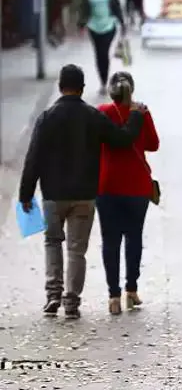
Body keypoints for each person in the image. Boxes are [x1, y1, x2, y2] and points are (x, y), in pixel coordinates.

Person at [18, 64, 146, 319]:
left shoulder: (46, 117)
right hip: (85, 196)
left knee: (53, 242)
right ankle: (72, 302)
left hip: (53, 195)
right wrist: (135, 116)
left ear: (59, 87)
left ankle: (53, 294)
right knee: (77, 249)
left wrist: (25, 193)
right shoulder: (92, 116)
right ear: (82, 88)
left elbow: (33, 158)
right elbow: (121, 140)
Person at [97, 72, 159, 315]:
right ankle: (131, 291)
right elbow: (153, 144)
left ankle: (113, 297)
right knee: (134, 238)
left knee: (110, 241)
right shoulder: (142, 112)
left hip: (107, 186)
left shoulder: (102, 112)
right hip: (136, 187)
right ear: (131, 90)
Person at [78, 0, 126, 95]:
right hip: (93, 26)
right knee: (98, 54)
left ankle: (105, 82)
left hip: (109, 24)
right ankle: (102, 82)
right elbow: (83, 7)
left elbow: (116, 5)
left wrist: (122, 23)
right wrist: (81, 24)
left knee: (104, 52)